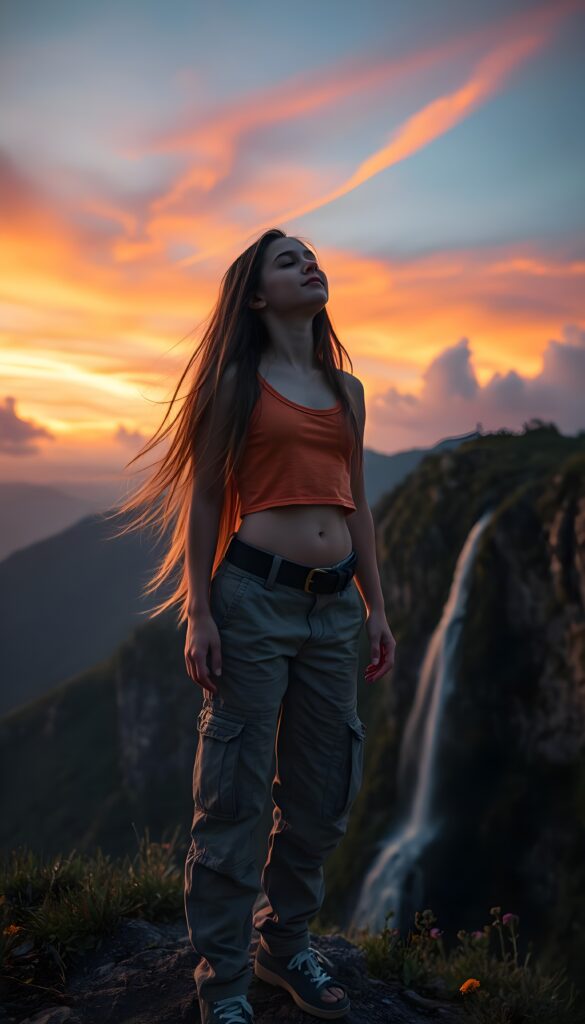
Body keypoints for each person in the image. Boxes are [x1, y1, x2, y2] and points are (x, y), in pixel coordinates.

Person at [106, 229, 395, 1024]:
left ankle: (283, 946)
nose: (309, 263)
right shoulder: (236, 384)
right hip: (251, 601)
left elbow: (355, 503)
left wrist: (376, 607)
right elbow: (205, 499)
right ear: (258, 295)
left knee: (321, 793)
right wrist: (199, 610)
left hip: (334, 609)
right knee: (233, 797)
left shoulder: (347, 390)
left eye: (311, 254)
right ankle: (224, 984)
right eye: (287, 259)